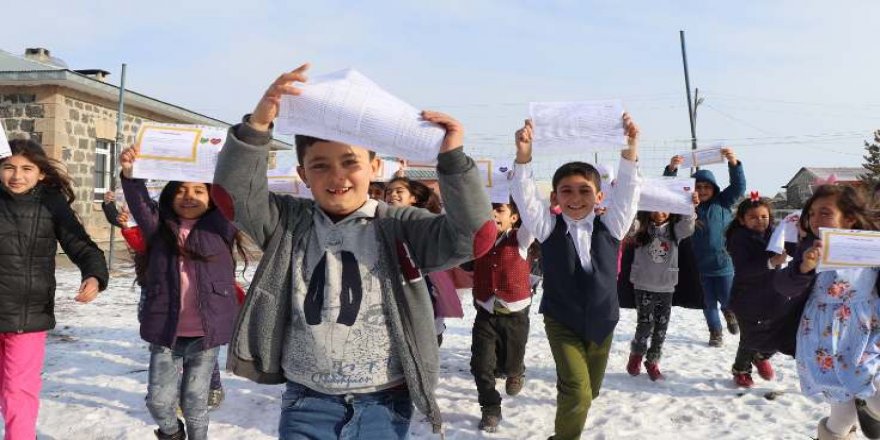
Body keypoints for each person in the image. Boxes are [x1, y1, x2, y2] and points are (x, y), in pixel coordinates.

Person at [212, 63, 494, 439]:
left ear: (375, 166)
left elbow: (474, 236)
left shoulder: (401, 226)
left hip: (384, 403)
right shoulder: (286, 223)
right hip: (306, 401)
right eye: (321, 166)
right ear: (302, 173)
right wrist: (257, 126)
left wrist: (454, 161)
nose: (338, 177)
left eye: (350, 163)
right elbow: (232, 198)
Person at [510, 115, 641, 440]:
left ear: (599, 197)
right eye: (566, 191)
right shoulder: (548, 228)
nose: (575, 197)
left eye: (585, 190)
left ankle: (572, 390)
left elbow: (628, 191)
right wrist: (524, 156)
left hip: (602, 320)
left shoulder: (612, 226)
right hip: (561, 319)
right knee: (578, 393)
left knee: (589, 392)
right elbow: (526, 197)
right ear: (555, 197)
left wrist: (630, 148)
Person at [120, 147, 246, 440]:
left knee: (194, 401)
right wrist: (130, 174)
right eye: (181, 190)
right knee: (159, 400)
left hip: (204, 333)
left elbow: (232, 198)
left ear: (211, 198)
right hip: (166, 332)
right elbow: (140, 205)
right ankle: (172, 434)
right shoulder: (159, 228)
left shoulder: (219, 228)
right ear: (170, 196)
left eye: (199, 191)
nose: (189, 196)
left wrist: (230, 163)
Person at [0, 138, 108, 440]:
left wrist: (94, 276)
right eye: (8, 167)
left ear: (41, 173)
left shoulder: (51, 204)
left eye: (26, 168)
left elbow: (83, 246)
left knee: (18, 389)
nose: (17, 175)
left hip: (29, 315)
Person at [774, 185, 880, 440]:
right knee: (842, 415)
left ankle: (868, 408)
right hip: (826, 338)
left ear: (850, 218)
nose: (814, 219)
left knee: (877, 396)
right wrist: (803, 267)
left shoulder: (871, 244)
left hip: (867, 330)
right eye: (811, 214)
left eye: (824, 212)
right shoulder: (810, 247)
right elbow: (782, 286)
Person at [664, 149, 746, 346]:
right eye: (697, 187)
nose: (701, 191)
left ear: (714, 188)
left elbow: (738, 186)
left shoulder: (723, 202)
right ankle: (715, 332)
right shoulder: (686, 205)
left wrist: (733, 163)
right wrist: (672, 169)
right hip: (698, 266)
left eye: (706, 187)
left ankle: (729, 311)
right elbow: (668, 190)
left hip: (723, 263)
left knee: (726, 298)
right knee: (707, 302)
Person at [469, 200, 535, 432]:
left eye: (500, 210)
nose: (493, 213)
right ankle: (490, 408)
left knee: (511, 362)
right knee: (481, 364)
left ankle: (517, 371)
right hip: (486, 311)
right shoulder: (478, 239)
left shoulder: (521, 239)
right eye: (490, 208)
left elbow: (532, 215)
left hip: (515, 313)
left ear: (514, 218)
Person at [625, 200, 697, 382]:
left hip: (666, 286)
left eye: (665, 208)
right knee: (645, 323)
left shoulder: (674, 231)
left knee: (661, 327)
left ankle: (653, 360)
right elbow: (628, 225)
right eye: (654, 208)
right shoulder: (641, 229)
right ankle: (637, 354)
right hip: (644, 285)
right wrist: (631, 202)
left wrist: (689, 205)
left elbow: (688, 226)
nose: (659, 212)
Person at [725, 194, 792, 388]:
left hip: (774, 294)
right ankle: (741, 370)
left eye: (764, 216)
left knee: (780, 332)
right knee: (749, 337)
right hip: (747, 297)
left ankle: (760, 355)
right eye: (753, 217)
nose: (759, 221)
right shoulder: (738, 239)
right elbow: (744, 270)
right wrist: (771, 262)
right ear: (742, 220)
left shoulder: (777, 234)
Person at [385, 176, 458, 344]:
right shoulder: (381, 221)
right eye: (388, 192)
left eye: (399, 191)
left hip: (422, 281)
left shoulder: (425, 220)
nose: (392, 195)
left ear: (414, 198)